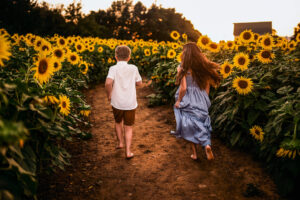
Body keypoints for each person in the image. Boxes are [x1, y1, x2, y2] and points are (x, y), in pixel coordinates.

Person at [171, 42, 220, 160]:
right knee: (202, 122)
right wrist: (205, 98)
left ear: (185, 54)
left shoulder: (182, 67)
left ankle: (194, 154)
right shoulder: (203, 67)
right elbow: (207, 85)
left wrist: (178, 101)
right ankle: (206, 144)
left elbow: (183, 88)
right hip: (202, 96)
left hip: (188, 98)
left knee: (189, 125)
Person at [105, 45, 142, 159]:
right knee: (128, 127)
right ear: (129, 57)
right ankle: (128, 151)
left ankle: (120, 143)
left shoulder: (113, 68)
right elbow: (139, 83)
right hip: (130, 103)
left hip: (117, 102)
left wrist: (109, 94)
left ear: (116, 57)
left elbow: (108, 83)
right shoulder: (133, 68)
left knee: (118, 122)